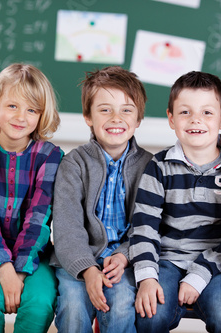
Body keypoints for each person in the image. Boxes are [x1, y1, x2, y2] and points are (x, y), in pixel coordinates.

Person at [129, 71, 221, 333]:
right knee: (150, 316)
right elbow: (144, 227)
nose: (196, 120)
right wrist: (147, 277)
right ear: (171, 118)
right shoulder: (158, 167)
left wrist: (200, 273)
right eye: (185, 112)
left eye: (207, 112)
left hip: (218, 265)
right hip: (166, 260)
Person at [50, 66, 152, 333]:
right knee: (73, 307)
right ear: (88, 116)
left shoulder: (150, 167)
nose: (116, 118)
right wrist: (87, 269)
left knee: (120, 308)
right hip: (77, 260)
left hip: (123, 262)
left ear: (138, 119)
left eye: (126, 110)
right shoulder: (74, 164)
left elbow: (148, 227)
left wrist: (123, 256)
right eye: (105, 109)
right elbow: (67, 227)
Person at [0, 63, 62, 333]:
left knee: (40, 302)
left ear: (42, 115)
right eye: (12, 106)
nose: (21, 117)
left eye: (31, 110)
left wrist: (20, 268)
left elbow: (40, 216)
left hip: (33, 250)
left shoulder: (50, 156)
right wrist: (4, 267)